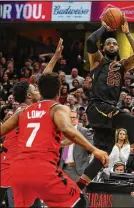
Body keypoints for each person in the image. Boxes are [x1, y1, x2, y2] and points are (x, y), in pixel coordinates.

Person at [76, 18, 134, 190]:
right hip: (98, 106)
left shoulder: (122, 65)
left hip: (107, 110)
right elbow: (90, 41)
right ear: (103, 48)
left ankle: (78, 187)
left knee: (104, 155)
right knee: (131, 121)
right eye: (108, 43)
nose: (111, 45)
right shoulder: (97, 60)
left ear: (117, 48)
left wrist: (128, 33)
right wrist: (105, 28)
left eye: (114, 43)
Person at [0, 71, 108, 207]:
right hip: (42, 168)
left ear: (39, 90)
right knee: (79, 201)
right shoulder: (57, 108)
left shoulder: (23, 112)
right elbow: (68, 130)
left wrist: (60, 143)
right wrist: (94, 150)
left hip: (19, 170)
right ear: (59, 90)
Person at [0, 39, 65, 207]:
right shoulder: (24, 111)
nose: (38, 90)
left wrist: (56, 57)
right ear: (29, 96)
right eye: (35, 90)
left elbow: (43, 80)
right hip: (11, 164)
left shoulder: (32, 110)